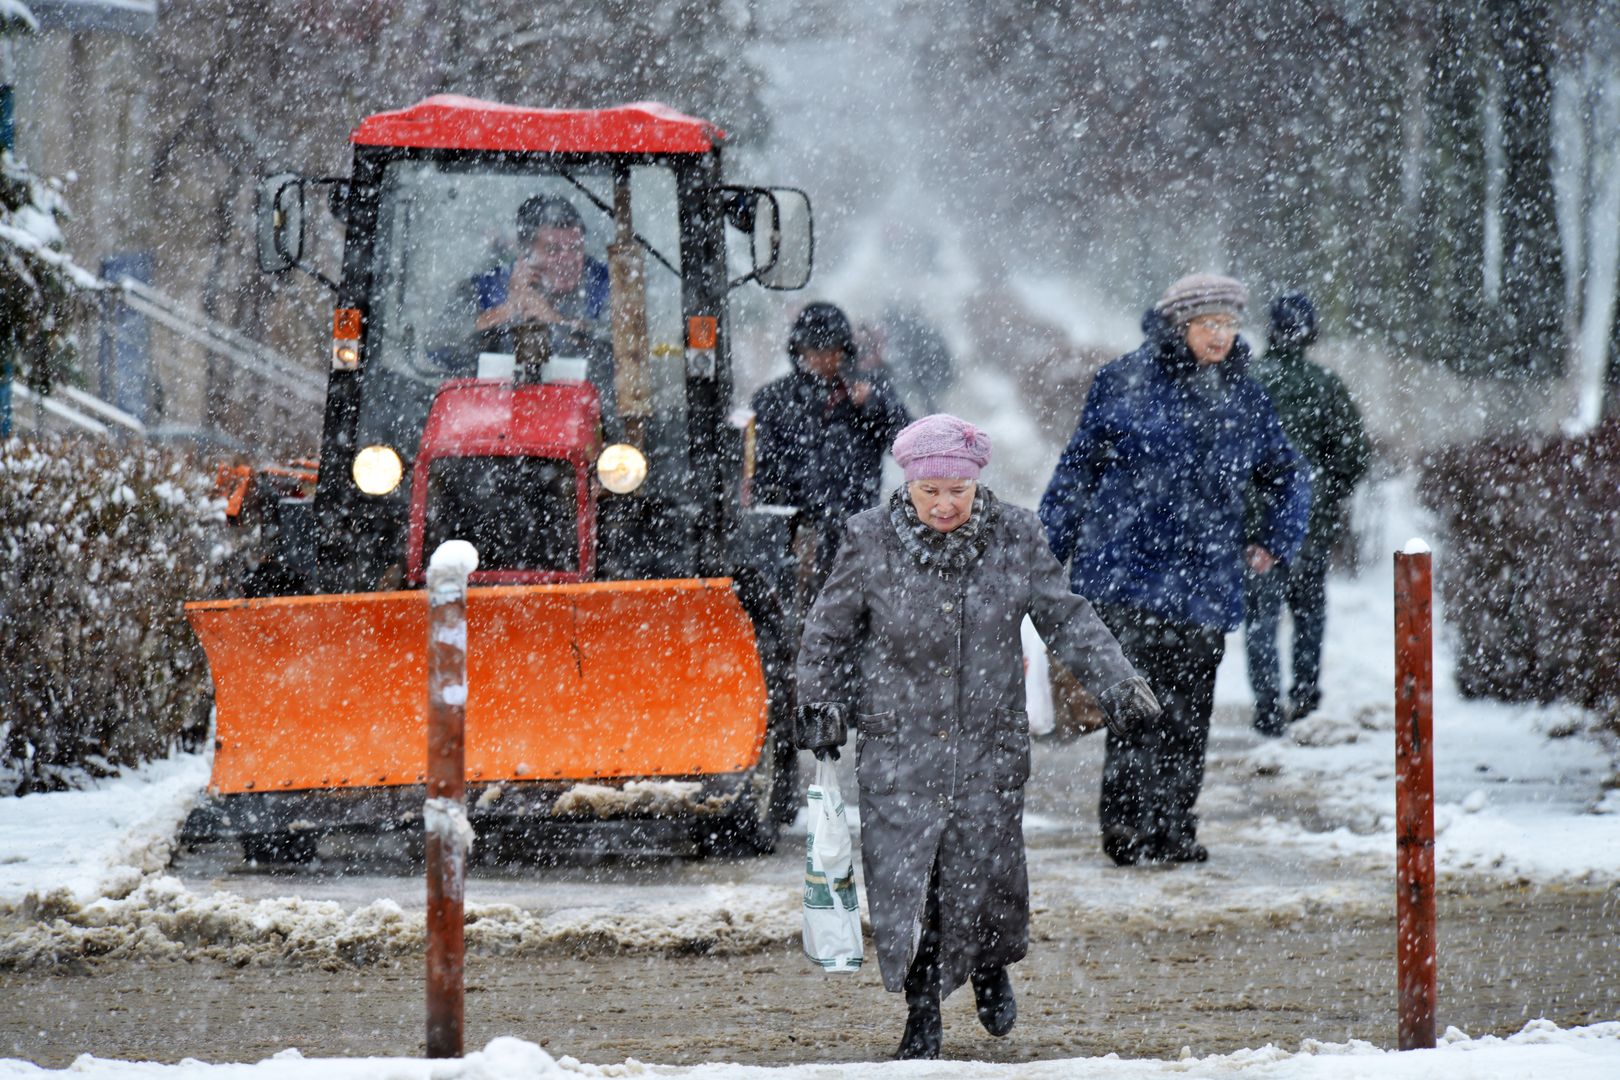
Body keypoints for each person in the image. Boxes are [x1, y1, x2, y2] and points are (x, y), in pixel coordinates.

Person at [795, 414, 1161, 1060]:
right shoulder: (869, 539)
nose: (944, 504)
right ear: (909, 485)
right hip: (899, 745)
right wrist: (819, 702)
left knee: (986, 874)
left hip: (988, 744)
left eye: (957, 491)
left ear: (976, 484)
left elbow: (1067, 618)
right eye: (930, 491)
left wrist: (1118, 683)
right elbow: (828, 630)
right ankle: (922, 1014)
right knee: (911, 884)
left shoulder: (1017, 536)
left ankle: (990, 964)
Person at [1039, 273, 1311, 867]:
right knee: (1137, 703)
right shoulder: (1123, 381)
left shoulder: (1245, 396)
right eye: (1209, 324)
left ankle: (1173, 826)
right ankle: (1126, 825)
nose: (1221, 336)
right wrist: (1045, 554)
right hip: (1125, 573)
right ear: (1179, 324)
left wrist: (1275, 539)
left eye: (1230, 324)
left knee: (1190, 711)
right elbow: (1077, 471)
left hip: (1204, 581)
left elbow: (1289, 474)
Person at [1243, 292, 1371, 735]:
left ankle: (1266, 707)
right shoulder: (1326, 385)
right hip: (1310, 524)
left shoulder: (1248, 382)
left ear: (1271, 330)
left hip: (1258, 527)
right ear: (1310, 333)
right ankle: (1305, 699)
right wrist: (1327, 495)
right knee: (1309, 612)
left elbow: (1228, 457)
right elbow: (1354, 455)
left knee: (1261, 619)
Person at [751, 302, 911, 589]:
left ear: (844, 350)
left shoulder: (870, 390)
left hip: (855, 529)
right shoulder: (773, 399)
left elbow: (908, 444)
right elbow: (760, 467)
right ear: (799, 352)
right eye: (813, 351)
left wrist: (873, 406)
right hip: (792, 535)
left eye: (831, 350)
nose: (822, 359)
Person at [472, 194, 610, 341]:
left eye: (575, 248)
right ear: (525, 254)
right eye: (553, 250)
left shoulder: (606, 284)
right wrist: (511, 309)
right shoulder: (485, 288)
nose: (568, 260)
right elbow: (457, 342)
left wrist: (555, 322)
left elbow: (620, 342)